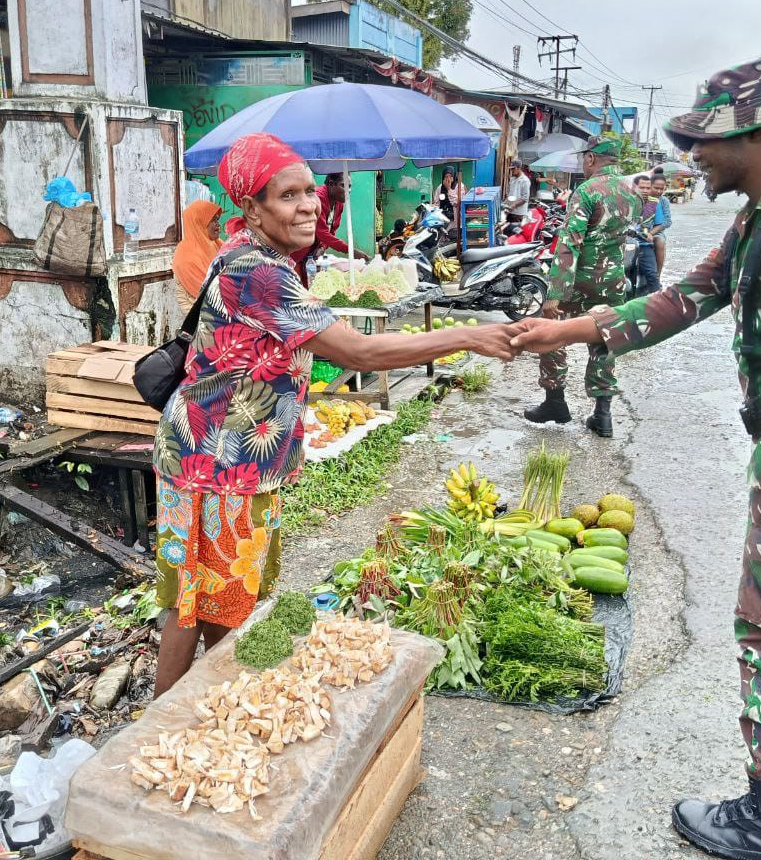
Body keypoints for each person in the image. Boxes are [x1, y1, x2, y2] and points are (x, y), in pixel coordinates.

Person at [509, 58, 761, 860]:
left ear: (759, 135)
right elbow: (687, 295)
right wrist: (574, 329)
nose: (692, 154)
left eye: (705, 140)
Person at [152, 133, 518, 697]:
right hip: (221, 461)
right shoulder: (261, 271)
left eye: (309, 191)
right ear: (250, 206)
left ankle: (170, 714)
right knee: (226, 602)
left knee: (188, 593)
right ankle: (199, 715)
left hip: (199, 449)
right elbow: (359, 352)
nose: (308, 205)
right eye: (288, 195)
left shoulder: (245, 251)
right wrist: (467, 334)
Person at [522, 137, 641, 438]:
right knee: (604, 338)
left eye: (581, 160)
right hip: (612, 279)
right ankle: (603, 415)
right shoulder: (633, 192)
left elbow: (569, 243)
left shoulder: (586, 191)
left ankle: (555, 402)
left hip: (580, 280)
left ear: (590, 159)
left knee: (552, 331)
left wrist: (556, 293)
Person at [291, 172, 370, 285]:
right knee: (297, 289)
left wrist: (323, 247)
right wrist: (350, 250)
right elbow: (322, 233)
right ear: (332, 184)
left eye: (350, 186)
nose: (349, 190)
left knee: (311, 285)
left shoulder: (339, 203)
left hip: (312, 253)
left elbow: (331, 231)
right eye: (344, 185)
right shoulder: (317, 198)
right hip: (298, 250)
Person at [172, 199, 223, 311]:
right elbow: (209, 293)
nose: (218, 224)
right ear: (199, 223)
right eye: (213, 220)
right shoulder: (185, 256)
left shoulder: (216, 244)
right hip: (200, 316)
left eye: (217, 219)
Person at [648, 172, 672, 277]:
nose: (659, 191)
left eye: (661, 189)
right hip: (638, 231)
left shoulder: (663, 201)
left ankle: (658, 275)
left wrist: (651, 233)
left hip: (656, 232)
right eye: (656, 188)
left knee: (660, 242)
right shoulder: (641, 198)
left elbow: (667, 222)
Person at [433, 166, 467, 234]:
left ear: (453, 177)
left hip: (456, 218)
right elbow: (437, 203)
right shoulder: (440, 187)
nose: (448, 179)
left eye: (450, 176)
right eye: (446, 176)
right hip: (444, 218)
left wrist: (449, 189)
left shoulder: (460, 186)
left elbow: (457, 202)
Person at [503, 160, 531, 234]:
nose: (512, 171)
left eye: (513, 169)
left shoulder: (525, 180)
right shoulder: (512, 179)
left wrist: (513, 206)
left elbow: (525, 198)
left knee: (516, 234)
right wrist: (505, 204)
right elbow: (509, 194)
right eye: (511, 169)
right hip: (510, 212)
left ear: (519, 168)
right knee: (507, 232)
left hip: (519, 213)